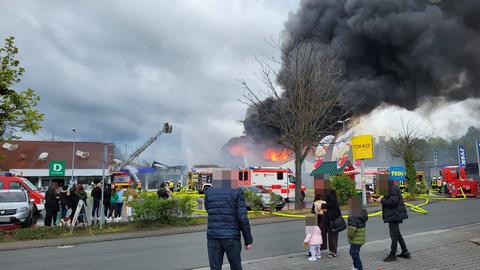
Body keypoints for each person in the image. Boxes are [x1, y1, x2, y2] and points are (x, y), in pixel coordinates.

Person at [205, 179, 253, 270]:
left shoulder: (209, 192)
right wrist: (248, 240)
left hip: (213, 236)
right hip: (232, 236)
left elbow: (209, 210)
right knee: (236, 267)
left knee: (215, 268)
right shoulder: (237, 191)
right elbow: (242, 218)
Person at [377, 181, 410, 262]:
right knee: (397, 234)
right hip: (394, 214)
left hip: (395, 215)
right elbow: (390, 199)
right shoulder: (391, 187)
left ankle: (393, 254)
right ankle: (405, 252)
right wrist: (382, 198)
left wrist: (382, 200)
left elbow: (393, 201)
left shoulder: (393, 188)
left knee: (393, 235)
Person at [347, 199, 368, 270]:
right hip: (361, 238)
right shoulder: (362, 213)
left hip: (355, 238)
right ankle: (356, 266)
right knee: (354, 252)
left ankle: (359, 267)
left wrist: (350, 236)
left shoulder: (352, 216)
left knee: (354, 253)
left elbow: (351, 229)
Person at [324, 189, 343, 258]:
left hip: (333, 218)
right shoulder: (326, 193)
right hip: (328, 218)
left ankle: (334, 251)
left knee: (333, 234)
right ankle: (331, 250)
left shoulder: (332, 193)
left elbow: (331, 203)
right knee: (330, 235)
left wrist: (323, 205)